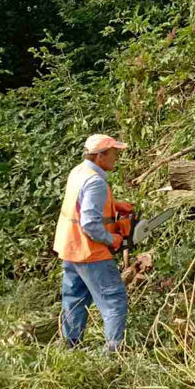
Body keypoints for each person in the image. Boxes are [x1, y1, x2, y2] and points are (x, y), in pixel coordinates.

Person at [53, 134, 133, 351]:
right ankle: (113, 353)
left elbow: (81, 204)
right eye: (113, 154)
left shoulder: (78, 171)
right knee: (114, 300)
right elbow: (89, 224)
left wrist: (114, 205)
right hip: (90, 251)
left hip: (70, 246)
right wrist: (112, 238)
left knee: (75, 298)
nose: (115, 158)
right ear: (100, 156)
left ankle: (70, 345)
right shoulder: (96, 181)